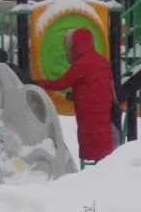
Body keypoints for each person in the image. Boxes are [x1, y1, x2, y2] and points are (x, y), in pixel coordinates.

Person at [35, 28, 116, 163]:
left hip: (89, 113)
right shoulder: (101, 60)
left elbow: (62, 83)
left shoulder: (81, 64)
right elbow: (96, 86)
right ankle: (103, 165)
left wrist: (39, 83)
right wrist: (76, 95)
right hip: (103, 109)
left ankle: (98, 167)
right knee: (102, 143)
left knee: (94, 141)